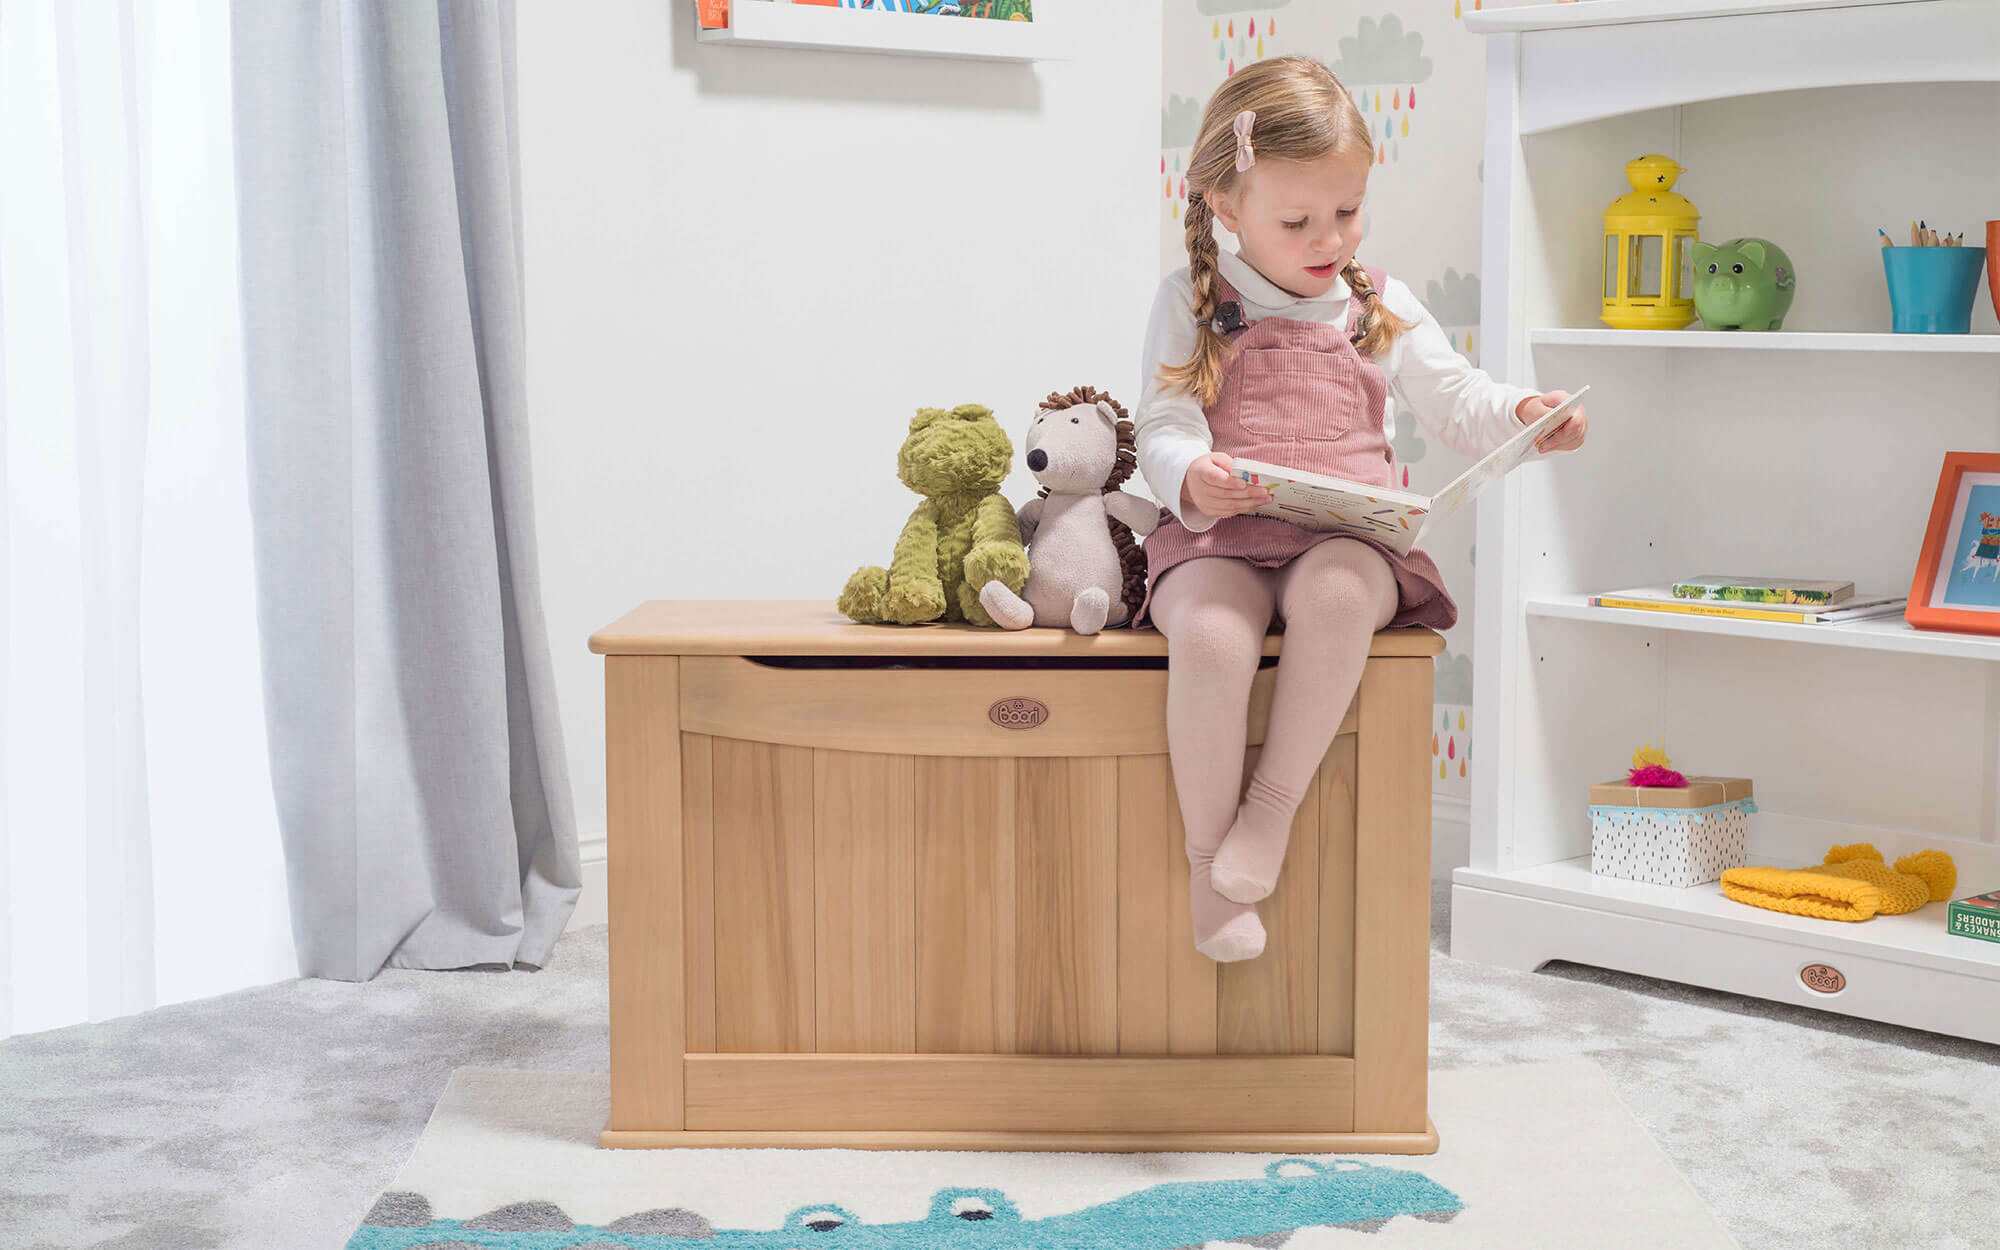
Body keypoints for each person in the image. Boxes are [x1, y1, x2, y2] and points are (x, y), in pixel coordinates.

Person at [1133, 56, 1586, 962]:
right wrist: (1192, 475)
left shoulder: (1377, 303)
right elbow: (1162, 420)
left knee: (1340, 595)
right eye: (1297, 219)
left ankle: (1270, 813)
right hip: (1224, 531)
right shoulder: (1193, 299)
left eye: (1347, 212)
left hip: (1345, 540)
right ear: (1227, 209)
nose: (1327, 238)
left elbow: (1460, 399)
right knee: (1215, 637)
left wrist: (1524, 416)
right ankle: (1203, 870)